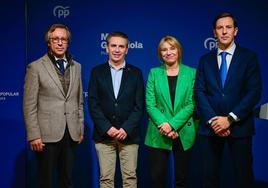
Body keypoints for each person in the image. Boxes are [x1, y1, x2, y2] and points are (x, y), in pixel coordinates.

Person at [195, 12, 262, 188]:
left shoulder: (249, 57)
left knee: (243, 176)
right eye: (220, 28)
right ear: (214, 32)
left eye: (228, 27)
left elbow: (254, 92)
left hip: (240, 127)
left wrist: (230, 118)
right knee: (209, 177)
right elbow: (199, 92)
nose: (224, 31)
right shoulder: (205, 60)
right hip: (210, 129)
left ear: (236, 31)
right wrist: (213, 121)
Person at [23, 23, 84, 188]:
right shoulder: (35, 67)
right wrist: (34, 135)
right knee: (45, 181)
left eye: (63, 39)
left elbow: (78, 101)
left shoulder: (76, 66)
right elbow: (29, 105)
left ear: (68, 42)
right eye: (55, 39)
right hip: (46, 135)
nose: (59, 42)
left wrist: (79, 128)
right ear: (49, 42)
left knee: (67, 180)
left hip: (71, 133)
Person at [88, 32, 144, 188]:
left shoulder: (136, 73)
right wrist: (107, 128)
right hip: (104, 135)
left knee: (130, 178)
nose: (117, 50)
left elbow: (139, 106)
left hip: (129, 135)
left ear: (127, 49)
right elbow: (93, 103)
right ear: (107, 48)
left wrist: (126, 128)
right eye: (113, 45)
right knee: (106, 179)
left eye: (121, 46)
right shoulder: (97, 72)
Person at [144, 35, 198, 188]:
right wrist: (164, 125)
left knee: (181, 178)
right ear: (160, 54)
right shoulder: (154, 73)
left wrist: (172, 125)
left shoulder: (191, 73)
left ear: (178, 50)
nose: (168, 52)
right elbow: (150, 104)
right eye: (164, 49)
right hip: (159, 130)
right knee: (157, 178)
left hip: (183, 130)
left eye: (172, 48)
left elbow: (191, 103)